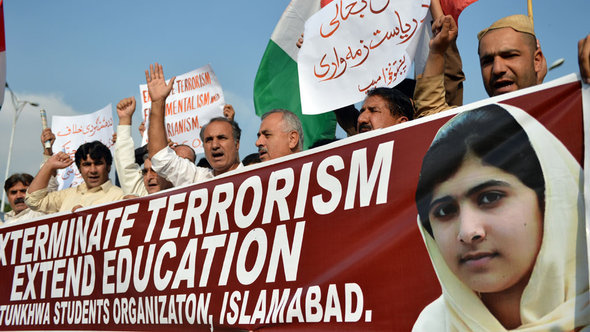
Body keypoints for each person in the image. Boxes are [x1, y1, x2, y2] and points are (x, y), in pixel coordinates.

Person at [413, 104, 589, 330]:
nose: (468, 232)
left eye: (490, 198)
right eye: (445, 211)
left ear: (548, 200)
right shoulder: (433, 325)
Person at [414, 13, 590, 117]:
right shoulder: (475, 129)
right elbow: (430, 114)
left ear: (537, 61)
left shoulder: (571, 112)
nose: (497, 69)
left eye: (510, 56)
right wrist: (437, 52)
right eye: (487, 61)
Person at [145, 63, 240, 186]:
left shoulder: (257, 176)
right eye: (208, 140)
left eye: (222, 138)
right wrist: (158, 102)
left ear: (237, 144)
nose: (215, 145)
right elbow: (160, 158)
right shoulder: (198, 178)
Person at [26, 141, 125, 213]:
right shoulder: (68, 194)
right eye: (87, 164)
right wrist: (49, 165)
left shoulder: (119, 197)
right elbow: (33, 201)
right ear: (79, 169)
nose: (93, 170)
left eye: (98, 164)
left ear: (108, 167)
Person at [114, 96, 174, 197]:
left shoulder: (185, 191)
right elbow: (124, 163)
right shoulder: (141, 192)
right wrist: (125, 119)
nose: (149, 177)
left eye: (155, 171)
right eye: (145, 171)